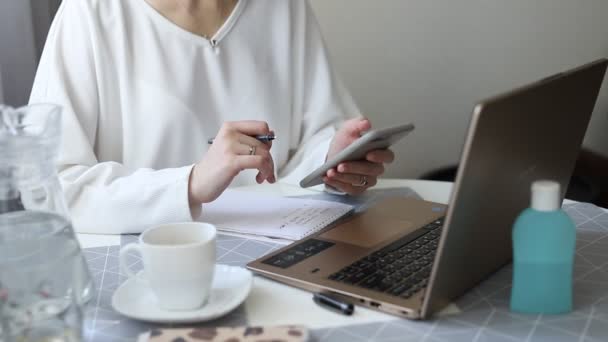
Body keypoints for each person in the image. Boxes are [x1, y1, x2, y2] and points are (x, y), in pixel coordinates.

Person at [29, 0, 395, 234]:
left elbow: (314, 136)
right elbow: (48, 189)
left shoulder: (284, 7)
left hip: (280, 255)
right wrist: (189, 184)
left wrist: (333, 160)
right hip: (146, 266)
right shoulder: (92, 13)